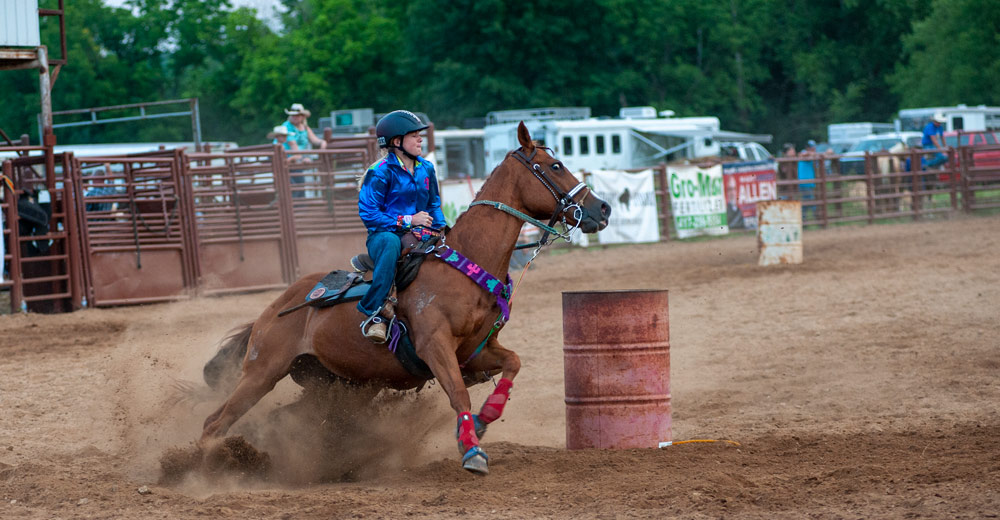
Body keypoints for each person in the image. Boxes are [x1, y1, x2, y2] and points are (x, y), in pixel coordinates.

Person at [356, 110, 445, 342]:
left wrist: (443, 228)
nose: (420, 139)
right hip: (383, 236)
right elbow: (369, 214)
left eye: (420, 135)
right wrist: (409, 220)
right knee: (390, 241)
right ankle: (375, 311)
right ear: (397, 141)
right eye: (414, 135)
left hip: (423, 232)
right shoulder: (379, 173)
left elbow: (434, 204)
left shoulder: (426, 168)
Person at [797, 140, 818, 221]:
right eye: (812, 147)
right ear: (808, 148)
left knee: (806, 203)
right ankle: (818, 219)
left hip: (808, 182)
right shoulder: (804, 153)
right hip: (804, 182)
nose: (814, 148)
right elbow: (803, 154)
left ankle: (803, 220)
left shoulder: (811, 155)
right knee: (811, 201)